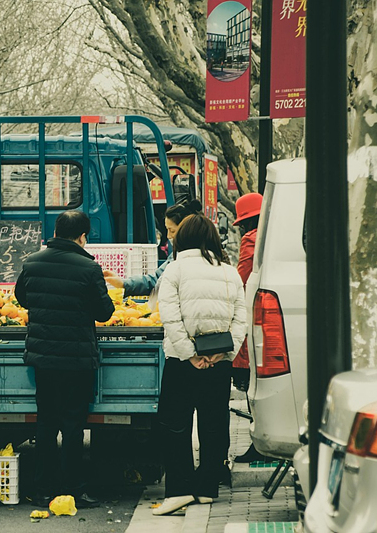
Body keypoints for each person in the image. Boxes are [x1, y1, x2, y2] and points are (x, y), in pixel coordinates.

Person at [14, 210, 115, 509]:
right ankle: (74, 489)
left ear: (56, 232)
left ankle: (43, 489)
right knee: (73, 425)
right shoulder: (88, 268)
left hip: (43, 359)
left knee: (45, 423)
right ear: (82, 236)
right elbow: (105, 312)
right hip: (76, 359)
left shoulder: (31, 262)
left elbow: (22, 297)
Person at [153, 213, 247, 516]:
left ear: (182, 238)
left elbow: (170, 316)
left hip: (182, 362)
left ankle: (179, 490)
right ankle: (207, 488)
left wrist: (189, 353)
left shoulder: (175, 270)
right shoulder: (229, 272)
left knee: (174, 424)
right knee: (214, 423)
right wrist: (222, 355)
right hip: (218, 363)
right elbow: (239, 319)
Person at [229, 192, 269, 463]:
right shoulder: (273, 236)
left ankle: (259, 442)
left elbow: (242, 278)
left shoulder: (251, 240)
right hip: (270, 317)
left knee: (253, 387)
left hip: (252, 319)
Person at [103, 199, 203, 296]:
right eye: (167, 230)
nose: (168, 236)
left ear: (186, 229)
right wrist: (123, 284)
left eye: (172, 231)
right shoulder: (177, 255)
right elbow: (156, 279)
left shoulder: (191, 259)